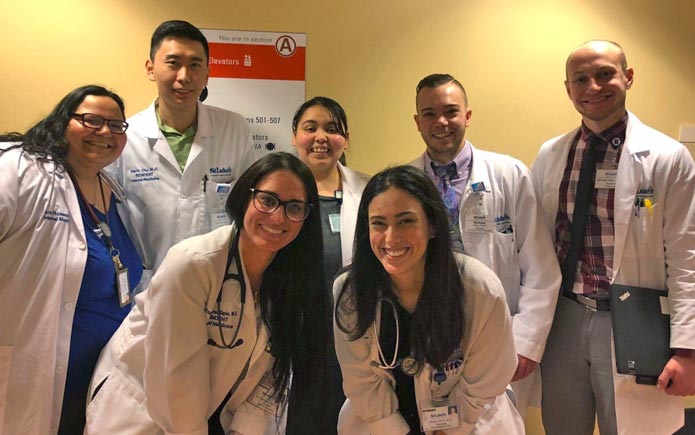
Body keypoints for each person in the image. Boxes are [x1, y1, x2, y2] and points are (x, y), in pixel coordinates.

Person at [85, 152, 329, 435]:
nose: (278, 216)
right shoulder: (193, 264)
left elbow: (269, 376)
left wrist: (244, 430)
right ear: (245, 197)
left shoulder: (291, 277)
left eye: (295, 207)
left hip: (212, 412)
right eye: (267, 200)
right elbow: (176, 378)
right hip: (142, 413)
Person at [532, 40, 695, 434]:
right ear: (568, 88)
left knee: (631, 428)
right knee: (562, 426)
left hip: (632, 317)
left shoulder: (667, 157)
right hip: (565, 317)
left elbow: (686, 256)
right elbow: (536, 247)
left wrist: (688, 349)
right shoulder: (551, 155)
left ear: (628, 77)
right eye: (580, 79)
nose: (593, 87)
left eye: (605, 74)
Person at [409, 73, 561, 416]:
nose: (441, 122)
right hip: (429, 329)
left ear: (467, 115)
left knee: (495, 423)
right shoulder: (407, 182)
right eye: (429, 114)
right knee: (434, 421)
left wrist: (527, 343)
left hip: (499, 333)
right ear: (418, 122)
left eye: (450, 111)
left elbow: (540, 266)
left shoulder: (510, 174)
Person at [334, 165, 525, 434]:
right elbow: (361, 380)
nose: (391, 238)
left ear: (432, 225)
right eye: (378, 223)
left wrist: (448, 430)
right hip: (379, 422)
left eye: (406, 221)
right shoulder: (350, 292)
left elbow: (485, 379)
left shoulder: (480, 289)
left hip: (468, 422)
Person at [0, 85, 143, 434]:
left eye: (116, 125)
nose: (105, 132)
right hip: (38, 371)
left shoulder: (114, 192)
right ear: (63, 122)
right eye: (91, 120)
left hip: (99, 378)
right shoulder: (24, 169)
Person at [110, 19, 255, 290]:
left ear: (208, 74)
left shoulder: (234, 129)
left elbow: (250, 208)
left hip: (218, 286)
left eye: (195, 65)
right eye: (173, 63)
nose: (185, 76)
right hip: (146, 286)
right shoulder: (124, 137)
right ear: (151, 69)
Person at [289, 96, 370, 433]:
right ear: (295, 136)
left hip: (350, 332)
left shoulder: (368, 190)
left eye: (332, 129)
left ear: (345, 139)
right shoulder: (277, 190)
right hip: (295, 333)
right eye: (311, 128)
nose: (321, 137)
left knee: (346, 418)